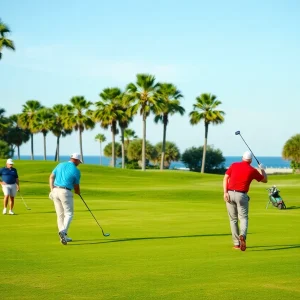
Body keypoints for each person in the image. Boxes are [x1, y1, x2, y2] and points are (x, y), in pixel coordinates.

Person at [223, 151, 268, 251]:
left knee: (233, 220)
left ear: (242, 158)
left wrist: (225, 192)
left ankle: (236, 244)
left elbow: (226, 177)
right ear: (251, 160)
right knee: (243, 218)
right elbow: (265, 180)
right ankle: (242, 235)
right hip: (242, 195)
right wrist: (262, 169)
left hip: (229, 194)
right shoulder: (252, 170)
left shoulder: (234, 165)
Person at [49, 153, 82, 245]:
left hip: (55, 190)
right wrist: (78, 192)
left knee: (60, 215)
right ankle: (63, 232)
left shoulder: (60, 165)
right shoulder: (76, 170)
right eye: (79, 161)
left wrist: (51, 190)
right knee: (69, 214)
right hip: (65, 192)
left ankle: (63, 237)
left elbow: (51, 177)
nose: (79, 163)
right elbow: (76, 186)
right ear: (75, 160)